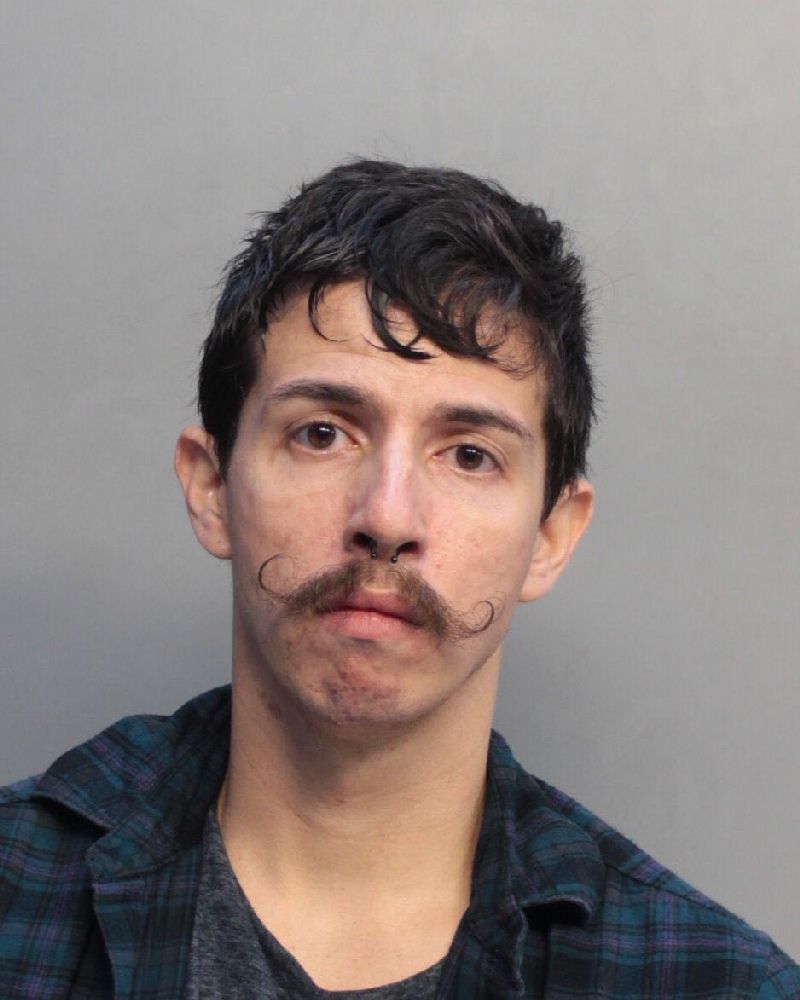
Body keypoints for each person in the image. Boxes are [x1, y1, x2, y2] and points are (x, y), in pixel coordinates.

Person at [1, 160, 798, 1000]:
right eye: (321, 434)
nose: (386, 516)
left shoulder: (716, 985)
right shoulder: (18, 902)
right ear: (211, 488)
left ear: (550, 537)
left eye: (469, 455)